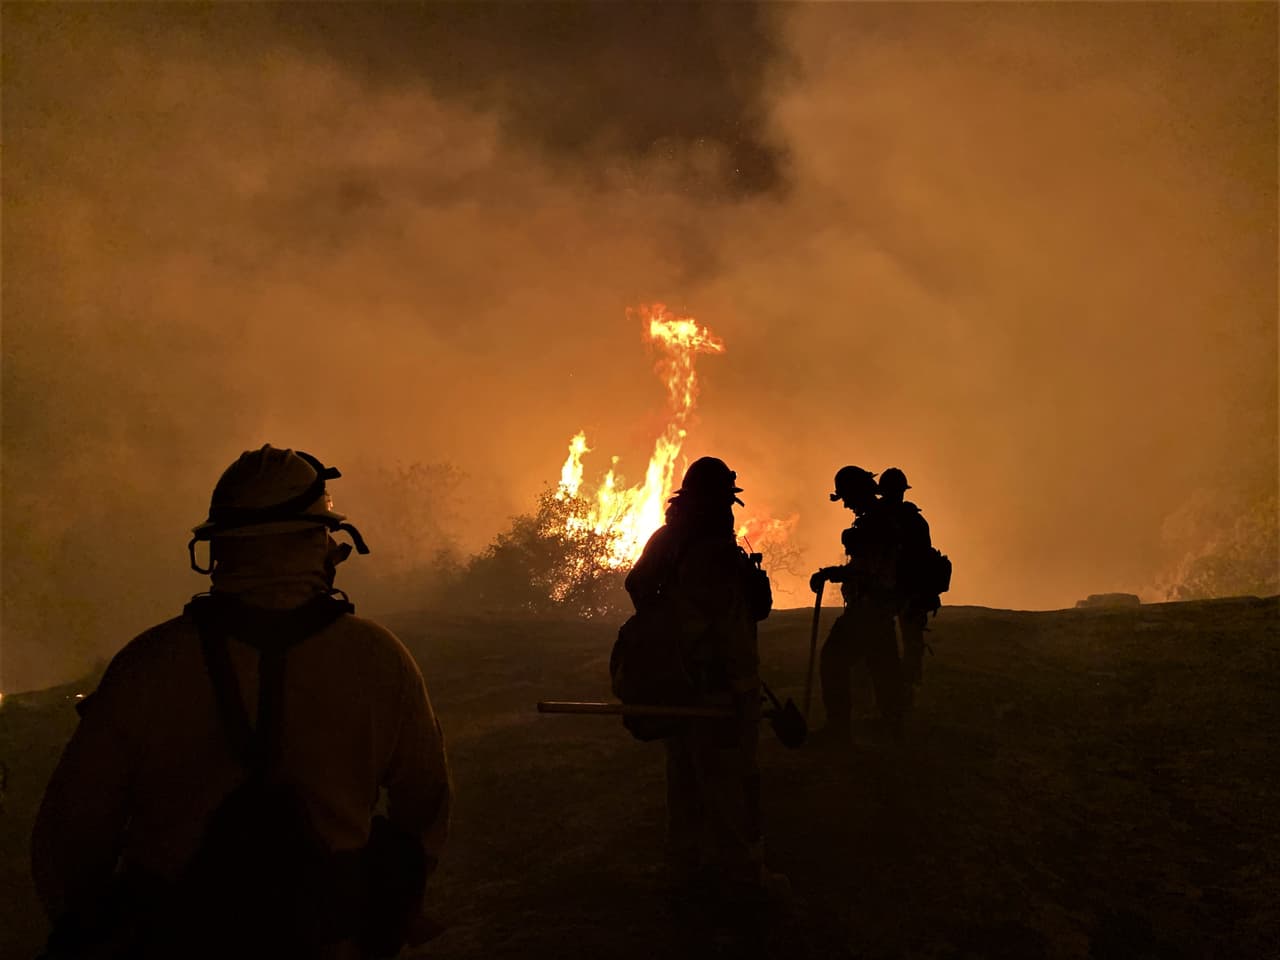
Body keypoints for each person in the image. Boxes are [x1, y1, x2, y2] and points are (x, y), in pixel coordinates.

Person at [32, 444, 451, 960]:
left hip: (172, 942)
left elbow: (74, 830)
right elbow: (423, 807)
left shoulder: (147, 665)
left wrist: (92, 921)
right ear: (319, 542)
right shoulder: (382, 661)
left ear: (219, 550)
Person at [623, 456, 783, 916]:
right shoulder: (714, 552)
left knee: (685, 783)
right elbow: (731, 629)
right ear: (717, 501)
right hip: (717, 692)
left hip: (678, 684)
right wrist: (743, 690)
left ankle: (684, 873)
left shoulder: (665, 540)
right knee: (731, 786)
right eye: (726, 500)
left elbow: (636, 585)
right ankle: (744, 882)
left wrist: (669, 625)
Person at [809, 465, 905, 742]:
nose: (846, 503)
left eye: (847, 496)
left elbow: (867, 569)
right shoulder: (881, 518)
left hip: (868, 609)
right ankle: (892, 727)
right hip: (881, 608)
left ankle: (838, 729)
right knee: (883, 667)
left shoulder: (874, 523)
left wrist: (831, 573)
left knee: (832, 660)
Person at [877, 467, 937, 705]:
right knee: (904, 644)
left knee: (905, 644)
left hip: (905, 591)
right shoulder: (913, 520)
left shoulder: (884, 520)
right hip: (904, 591)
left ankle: (902, 694)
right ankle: (902, 692)